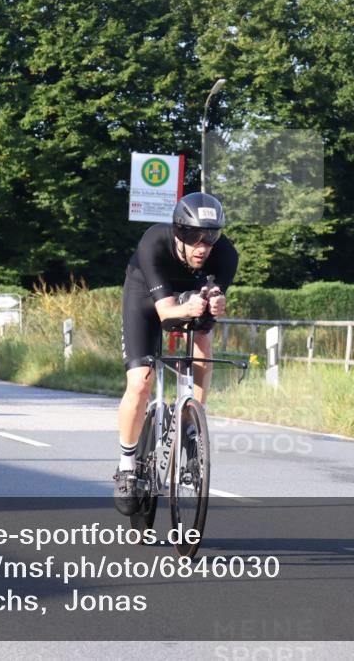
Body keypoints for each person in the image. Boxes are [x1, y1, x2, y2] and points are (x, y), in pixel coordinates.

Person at [114, 192, 238, 514]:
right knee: (141, 382)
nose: (202, 247)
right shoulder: (154, 242)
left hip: (189, 297)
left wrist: (216, 303)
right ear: (179, 233)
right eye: (194, 237)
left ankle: (193, 423)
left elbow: (211, 307)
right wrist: (186, 306)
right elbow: (167, 312)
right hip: (146, 297)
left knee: (204, 343)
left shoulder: (225, 254)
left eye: (210, 238)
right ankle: (127, 465)